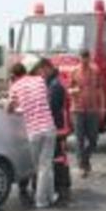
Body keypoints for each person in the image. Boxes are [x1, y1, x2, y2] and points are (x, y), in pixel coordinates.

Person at [7, 57, 57, 209]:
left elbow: (9, 109)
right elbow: (44, 100)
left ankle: (41, 201)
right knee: (46, 166)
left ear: (14, 76)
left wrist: (14, 104)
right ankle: (51, 195)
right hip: (48, 128)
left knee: (41, 167)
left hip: (33, 131)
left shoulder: (15, 87)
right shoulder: (39, 80)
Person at [39, 58, 71, 202]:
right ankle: (63, 182)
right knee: (59, 155)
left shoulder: (55, 85)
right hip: (56, 124)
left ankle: (61, 183)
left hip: (58, 125)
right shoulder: (52, 82)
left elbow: (52, 108)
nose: (41, 74)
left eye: (42, 71)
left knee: (58, 155)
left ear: (47, 68)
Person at [69, 49, 106, 178]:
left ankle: (85, 158)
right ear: (79, 58)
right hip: (77, 110)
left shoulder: (95, 71)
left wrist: (102, 107)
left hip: (92, 110)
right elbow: (69, 89)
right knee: (79, 139)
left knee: (93, 139)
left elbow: (100, 89)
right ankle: (82, 166)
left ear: (89, 58)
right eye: (82, 58)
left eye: (86, 58)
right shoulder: (74, 71)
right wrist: (74, 90)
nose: (84, 61)